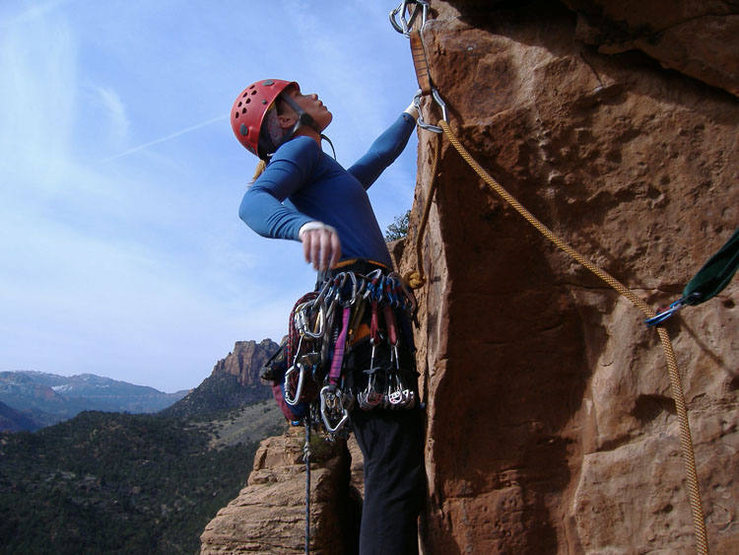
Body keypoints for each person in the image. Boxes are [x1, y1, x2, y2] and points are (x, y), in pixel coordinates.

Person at [231, 78, 425, 554]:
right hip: (364, 319)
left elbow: (372, 162)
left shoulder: (322, 166)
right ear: (283, 118)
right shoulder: (300, 151)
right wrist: (302, 226)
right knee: (392, 467)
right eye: (298, 96)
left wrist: (411, 113)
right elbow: (252, 204)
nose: (314, 95)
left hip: (370, 317)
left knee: (395, 461)